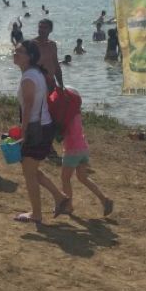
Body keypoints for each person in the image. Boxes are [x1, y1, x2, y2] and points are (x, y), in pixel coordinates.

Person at [11, 40, 69, 224]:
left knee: (29, 173)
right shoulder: (36, 73)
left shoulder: (29, 77)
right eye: (15, 50)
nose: (15, 53)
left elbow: (28, 106)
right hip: (44, 126)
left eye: (20, 52)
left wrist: (23, 132)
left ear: (30, 57)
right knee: (32, 169)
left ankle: (36, 214)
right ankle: (60, 197)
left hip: (37, 128)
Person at [54, 86, 114, 217]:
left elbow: (61, 132)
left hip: (72, 151)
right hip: (83, 149)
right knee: (83, 177)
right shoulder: (76, 114)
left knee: (65, 178)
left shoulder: (67, 116)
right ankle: (104, 199)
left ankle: (68, 206)